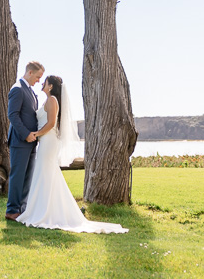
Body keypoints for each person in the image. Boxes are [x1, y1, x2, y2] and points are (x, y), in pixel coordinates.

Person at [16, 75, 128, 234]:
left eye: (45, 82)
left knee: (46, 173)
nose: (42, 83)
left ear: (51, 86)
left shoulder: (53, 100)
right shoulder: (48, 100)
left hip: (48, 142)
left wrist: (36, 133)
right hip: (45, 141)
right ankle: (42, 209)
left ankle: (44, 212)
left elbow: (51, 123)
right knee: (46, 174)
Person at [5, 60, 45, 220]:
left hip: (31, 143)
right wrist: (26, 134)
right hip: (20, 142)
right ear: (29, 73)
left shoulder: (30, 91)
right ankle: (12, 210)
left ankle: (22, 209)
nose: (39, 81)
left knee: (27, 178)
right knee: (18, 176)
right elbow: (12, 115)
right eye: (37, 77)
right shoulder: (18, 89)